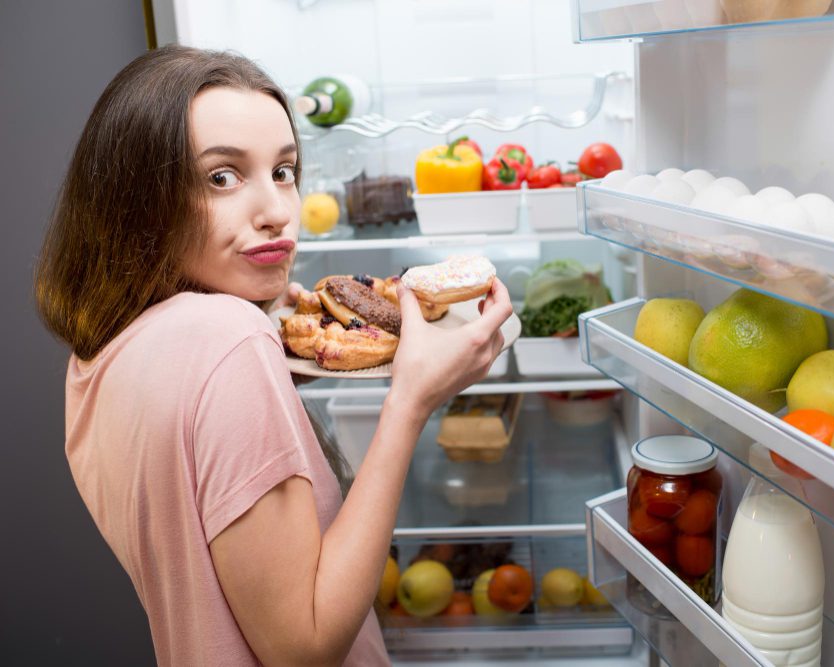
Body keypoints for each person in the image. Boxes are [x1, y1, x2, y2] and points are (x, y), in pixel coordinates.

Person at [34, 45, 511, 666]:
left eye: (284, 171)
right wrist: (411, 402)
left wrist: (274, 362)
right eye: (222, 177)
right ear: (137, 199)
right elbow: (304, 646)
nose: (278, 212)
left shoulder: (101, 353)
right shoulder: (229, 338)